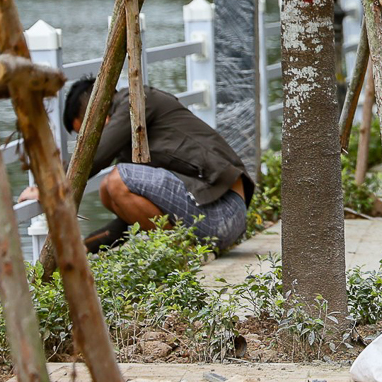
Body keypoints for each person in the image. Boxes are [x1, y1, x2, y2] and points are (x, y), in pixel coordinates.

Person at [19, 77, 252, 252]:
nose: (88, 142)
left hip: (224, 211)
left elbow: (95, 157)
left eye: (87, 135)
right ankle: (185, 252)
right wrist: (82, 250)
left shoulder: (135, 102)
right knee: (108, 189)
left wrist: (50, 187)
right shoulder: (134, 142)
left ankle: (182, 254)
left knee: (116, 180)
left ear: (98, 116)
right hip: (217, 219)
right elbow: (126, 224)